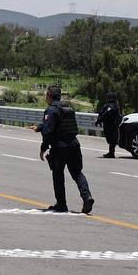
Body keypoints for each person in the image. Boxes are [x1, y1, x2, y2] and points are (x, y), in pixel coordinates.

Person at [31, 85, 94, 214]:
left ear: (49, 95)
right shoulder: (68, 108)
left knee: (58, 175)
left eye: (46, 94)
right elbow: (59, 124)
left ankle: (61, 204)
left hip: (60, 147)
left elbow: (48, 132)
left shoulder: (51, 110)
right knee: (77, 173)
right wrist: (40, 127)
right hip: (74, 145)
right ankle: (87, 196)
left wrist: (43, 148)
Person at [95, 92, 122, 158]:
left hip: (110, 125)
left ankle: (111, 153)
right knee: (111, 139)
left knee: (112, 139)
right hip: (111, 125)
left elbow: (106, 114)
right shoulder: (115, 105)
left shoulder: (112, 106)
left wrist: (99, 120)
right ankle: (111, 152)